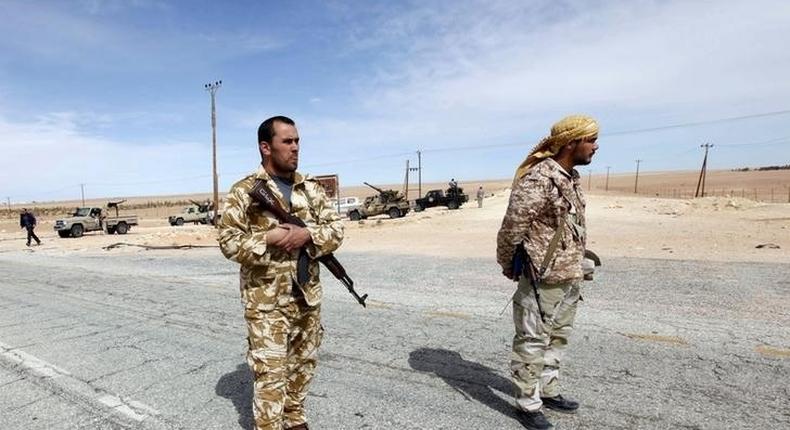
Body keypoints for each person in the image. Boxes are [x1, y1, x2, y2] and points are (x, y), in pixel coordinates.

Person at [217, 116, 344, 430]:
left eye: (297, 141)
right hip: (267, 303)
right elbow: (228, 243)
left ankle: (295, 420)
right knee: (271, 375)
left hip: (307, 296)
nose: (295, 148)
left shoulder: (310, 188)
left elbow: (336, 229)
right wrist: (268, 238)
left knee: (303, 367)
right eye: (287, 141)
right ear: (266, 147)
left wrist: (308, 235)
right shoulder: (245, 191)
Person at [496, 115, 599, 430]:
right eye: (590, 140)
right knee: (532, 340)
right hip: (541, 277)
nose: (595, 147)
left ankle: (548, 390)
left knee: (558, 338)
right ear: (571, 143)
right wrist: (507, 264)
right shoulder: (540, 178)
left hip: (569, 275)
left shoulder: (569, 177)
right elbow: (512, 227)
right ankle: (527, 404)